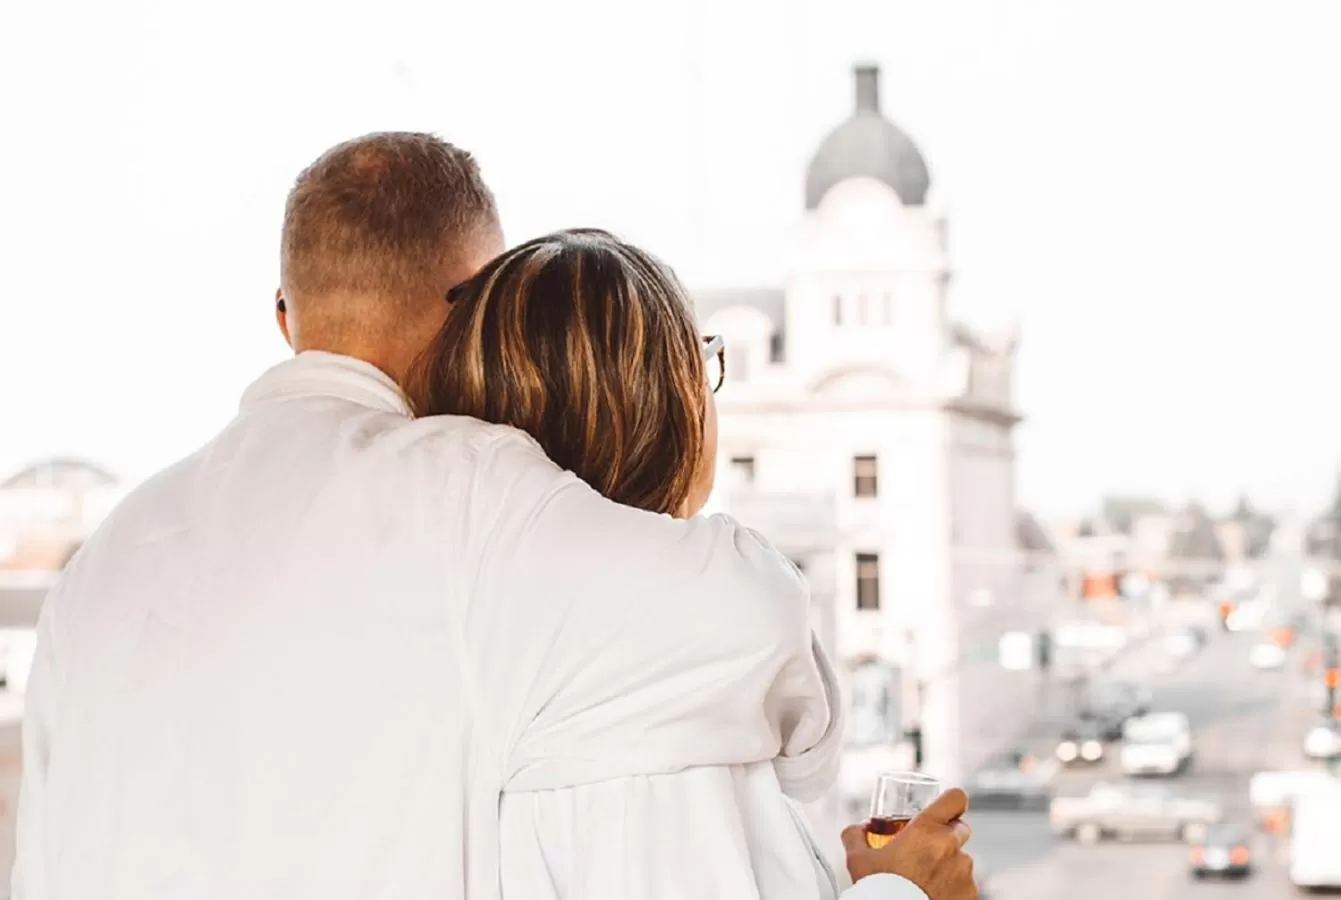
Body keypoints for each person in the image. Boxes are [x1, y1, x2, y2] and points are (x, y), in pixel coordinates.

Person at [11, 132, 973, 900]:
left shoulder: (107, 557)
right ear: (479, 307)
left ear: (284, 315)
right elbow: (747, 618)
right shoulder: (476, 505)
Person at [405, 227, 975, 900]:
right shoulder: (727, 590)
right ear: (660, 403)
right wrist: (906, 888)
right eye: (699, 365)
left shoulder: (428, 613)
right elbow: (809, 750)